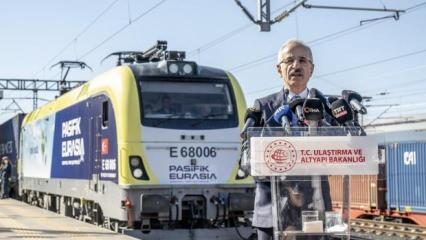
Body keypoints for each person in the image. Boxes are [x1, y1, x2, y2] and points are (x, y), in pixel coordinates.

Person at [248, 39, 332, 239]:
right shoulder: (263, 107)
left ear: (311, 69)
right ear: (279, 69)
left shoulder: (326, 107)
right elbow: (247, 162)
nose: (296, 65)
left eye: (303, 60)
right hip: (271, 212)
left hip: (315, 208)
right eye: (289, 60)